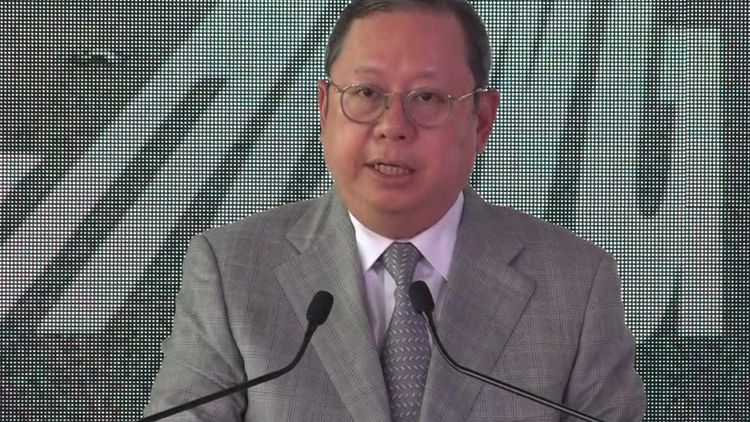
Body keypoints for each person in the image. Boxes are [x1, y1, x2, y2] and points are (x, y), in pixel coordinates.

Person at [143, 0, 647, 421]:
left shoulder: (576, 286)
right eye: (366, 93)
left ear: (481, 121)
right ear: (325, 109)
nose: (392, 126)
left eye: (427, 97)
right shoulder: (231, 271)